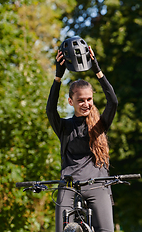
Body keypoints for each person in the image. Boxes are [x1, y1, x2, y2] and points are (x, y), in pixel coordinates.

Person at [46, 38, 118, 232]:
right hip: (69, 185)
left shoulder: (99, 125)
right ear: (71, 102)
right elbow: (51, 110)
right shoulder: (65, 127)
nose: (86, 103)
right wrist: (58, 77)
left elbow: (113, 102)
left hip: (97, 184)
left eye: (89, 99)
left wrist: (97, 69)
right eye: (81, 100)